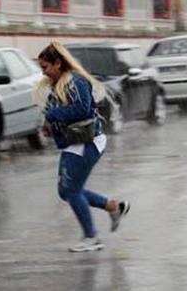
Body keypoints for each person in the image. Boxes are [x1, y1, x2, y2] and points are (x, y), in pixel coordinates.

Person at [34, 42, 130, 253]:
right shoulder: (57, 85)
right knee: (65, 191)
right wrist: (49, 126)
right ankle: (113, 207)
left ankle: (91, 237)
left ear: (58, 64)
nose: (44, 72)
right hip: (73, 142)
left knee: (71, 190)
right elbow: (57, 112)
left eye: (45, 67)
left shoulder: (75, 82)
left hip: (87, 141)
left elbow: (82, 109)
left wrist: (52, 116)